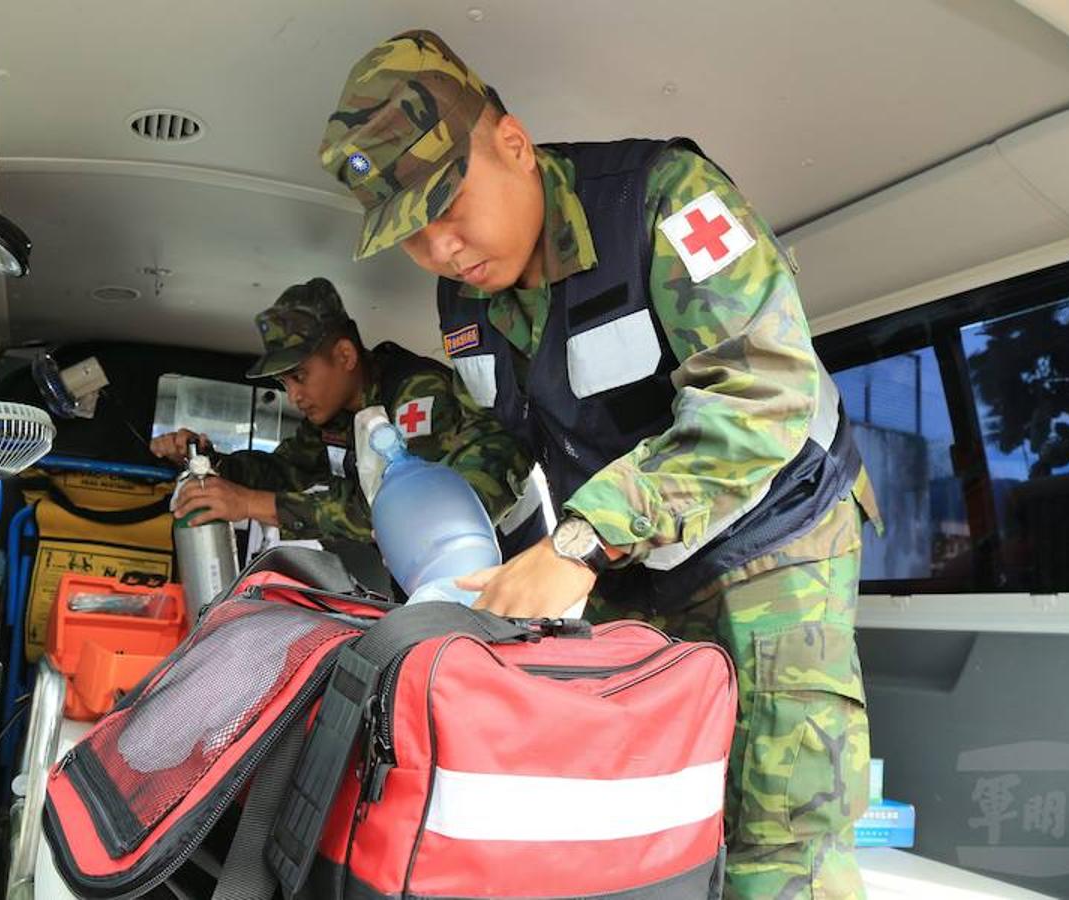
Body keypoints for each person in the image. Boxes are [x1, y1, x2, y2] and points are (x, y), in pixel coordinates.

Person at [318, 31, 883, 899]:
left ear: (512, 144)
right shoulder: (463, 295)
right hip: (628, 557)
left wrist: (578, 545)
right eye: (411, 234)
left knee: (779, 827)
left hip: (772, 537)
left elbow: (763, 393)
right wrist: (435, 508)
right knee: (632, 807)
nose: (441, 249)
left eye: (448, 204)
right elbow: (507, 438)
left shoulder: (661, 202)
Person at [150, 276, 534, 551]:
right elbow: (286, 471)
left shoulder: (416, 394)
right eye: (285, 384)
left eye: (300, 377)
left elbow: (401, 509)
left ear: (346, 356)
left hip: (495, 564)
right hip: (432, 567)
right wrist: (210, 463)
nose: (294, 396)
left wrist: (249, 503)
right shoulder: (335, 418)